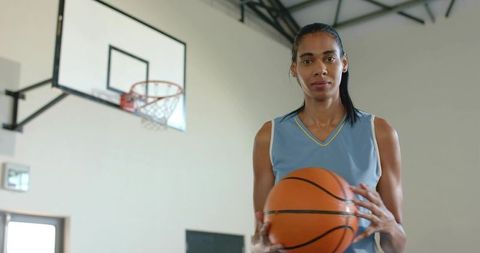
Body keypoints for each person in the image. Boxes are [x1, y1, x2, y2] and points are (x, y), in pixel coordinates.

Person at [251, 23, 406, 253]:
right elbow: (259, 238)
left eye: (329, 58)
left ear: (344, 63)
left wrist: (391, 228)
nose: (320, 69)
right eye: (307, 60)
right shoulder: (269, 136)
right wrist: (260, 249)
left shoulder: (379, 132)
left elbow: (395, 247)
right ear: (294, 68)